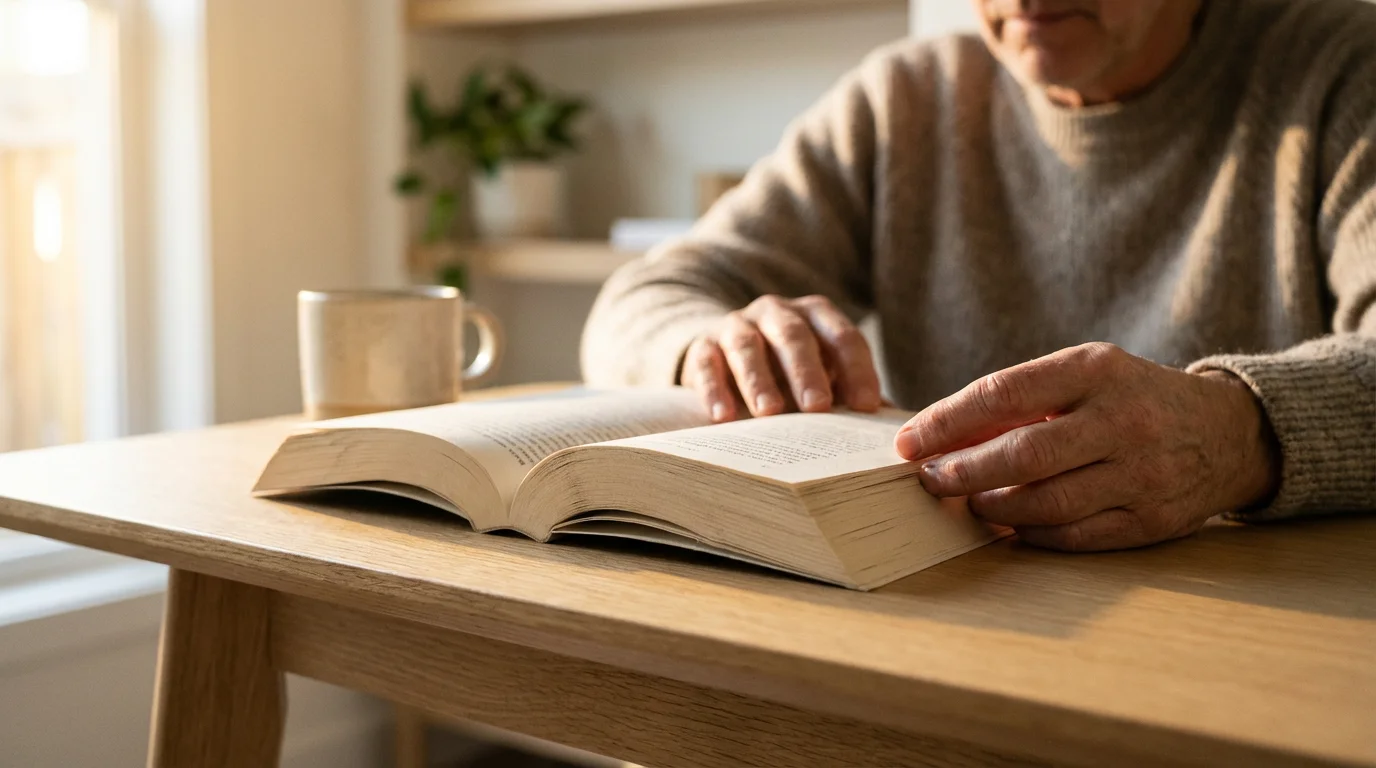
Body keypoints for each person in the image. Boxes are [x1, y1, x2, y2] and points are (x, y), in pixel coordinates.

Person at [580, 0, 1376, 553]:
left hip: (1254, 644)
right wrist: (712, 347)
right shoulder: (906, 98)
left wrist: (1242, 434)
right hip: (948, 623)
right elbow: (642, 298)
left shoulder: (1341, 68)